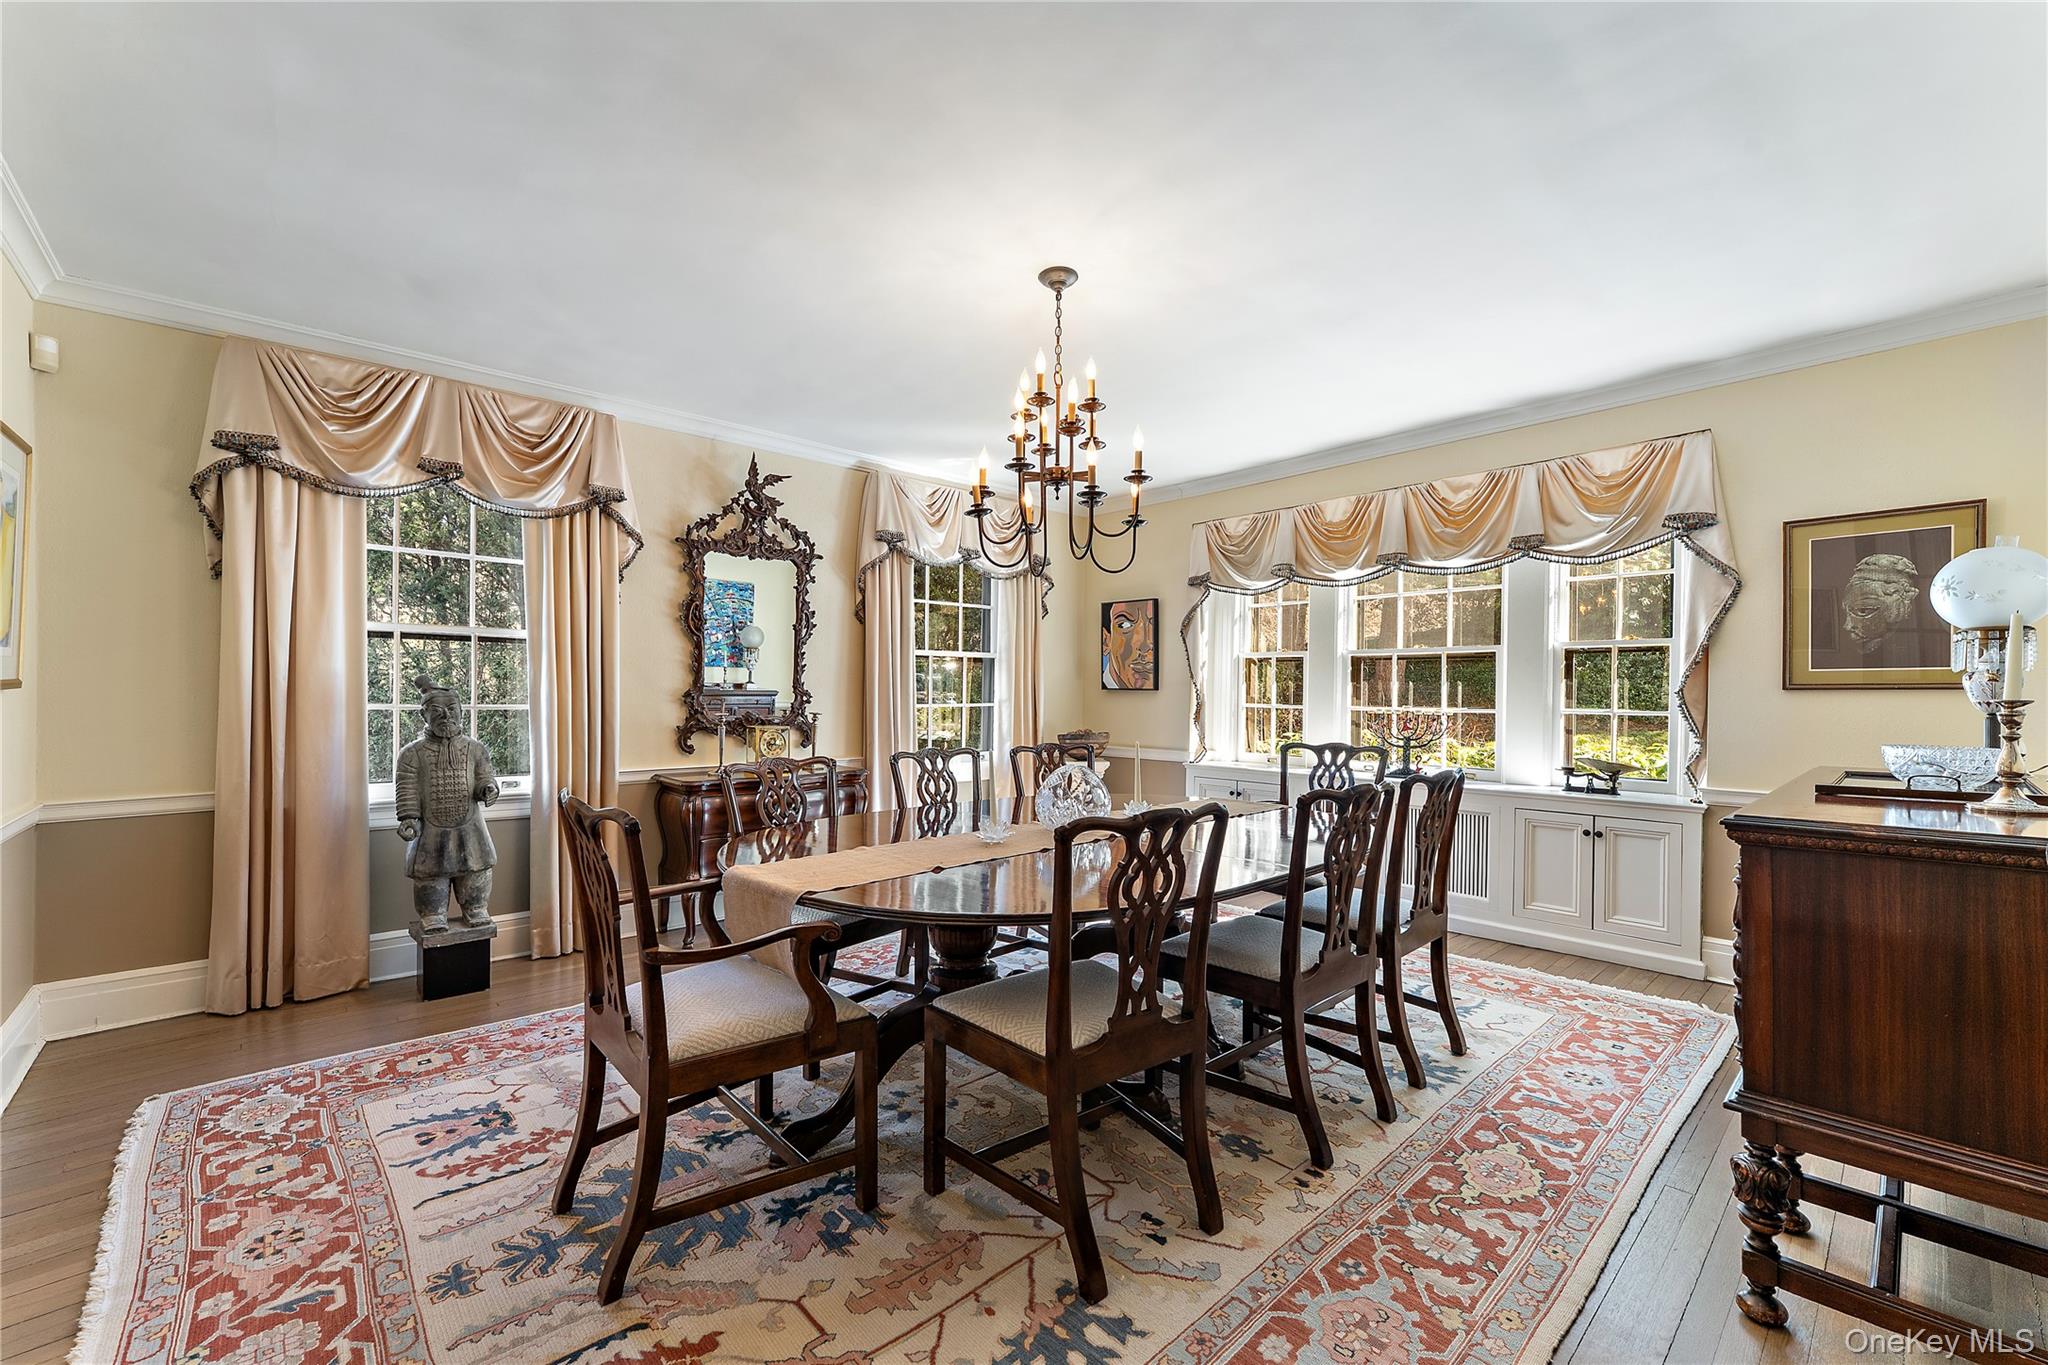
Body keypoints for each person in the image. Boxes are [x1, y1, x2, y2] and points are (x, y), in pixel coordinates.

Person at [395, 675, 500, 932]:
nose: (446, 717)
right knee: (430, 876)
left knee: (476, 870)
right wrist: (408, 816)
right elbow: (407, 787)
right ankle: (433, 914)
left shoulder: (476, 749)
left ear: (461, 712)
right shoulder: (412, 753)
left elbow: (485, 778)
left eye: (452, 710)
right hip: (430, 830)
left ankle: (475, 908)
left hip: (470, 827)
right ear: (424, 715)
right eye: (437, 712)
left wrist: (488, 789)